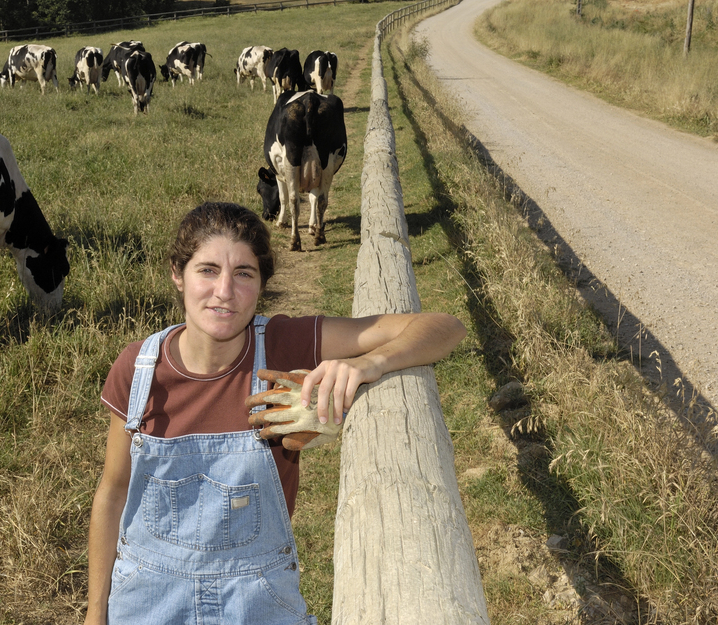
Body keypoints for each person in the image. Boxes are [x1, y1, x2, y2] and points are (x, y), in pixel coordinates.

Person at [85, 202, 466, 625]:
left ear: (262, 283)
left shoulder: (283, 345)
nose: (225, 291)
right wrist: (95, 612)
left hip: (257, 603)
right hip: (145, 603)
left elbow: (445, 327)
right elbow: (113, 492)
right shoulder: (138, 369)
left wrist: (367, 364)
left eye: (244, 274)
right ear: (178, 274)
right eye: (207, 270)